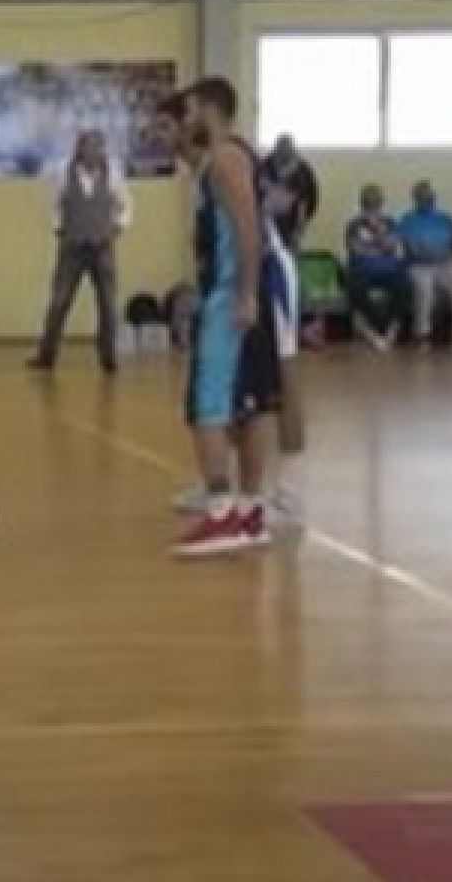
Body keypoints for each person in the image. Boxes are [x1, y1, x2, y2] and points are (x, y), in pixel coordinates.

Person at [168, 79, 279, 559]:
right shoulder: (233, 156)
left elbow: (248, 230)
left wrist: (245, 293)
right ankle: (250, 512)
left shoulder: (226, 160)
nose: (186, 118)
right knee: (249, 406)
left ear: (209, 110)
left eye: (190, 109)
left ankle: (220, 514)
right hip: (242, 293)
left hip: (229, 297)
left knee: (206, 407)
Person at [30, 130, 131, 374]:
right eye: (87, 147)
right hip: (72, 246)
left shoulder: (113, 172)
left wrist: (119, 225)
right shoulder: (62, 173)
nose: (92, 152)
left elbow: (125, 202)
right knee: (59, 300)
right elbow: (52, 203)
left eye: (97, 147)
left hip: (102, 245)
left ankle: (108, 357)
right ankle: (46, 355)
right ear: (79, 149)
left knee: (108, 303)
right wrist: (57, 227)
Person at [396, 181, 452, 349]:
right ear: (415, 199)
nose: (427, 200)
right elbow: (409, 246)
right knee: (424, 288)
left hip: (445, 264)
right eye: (422, 197)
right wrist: (425, 252)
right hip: (419, 264)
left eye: (429, 196)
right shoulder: (408, 219)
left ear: (434, 198)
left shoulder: (446, 219)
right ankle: (421, 333)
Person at [344, 185, 410, 351]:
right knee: (356, 286)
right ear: (362, 205)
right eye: (369, 205)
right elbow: (355, 250)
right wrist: (379, 248)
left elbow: (391, 247)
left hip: (387, 269)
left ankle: (391, 331)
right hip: (362, 269)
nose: (373, 209)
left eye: (376, 204)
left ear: (381, 205)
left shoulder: (389, 222)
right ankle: (372, 331)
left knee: (403, 284)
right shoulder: (354, 225)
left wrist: (378, 232)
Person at [261, 135, 319, 251]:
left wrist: (300, 229)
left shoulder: (302, 172)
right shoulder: (266, 166)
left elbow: (304, 204)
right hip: (271, 220)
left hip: (290, 222)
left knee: (289, 249)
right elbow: (261, 193)